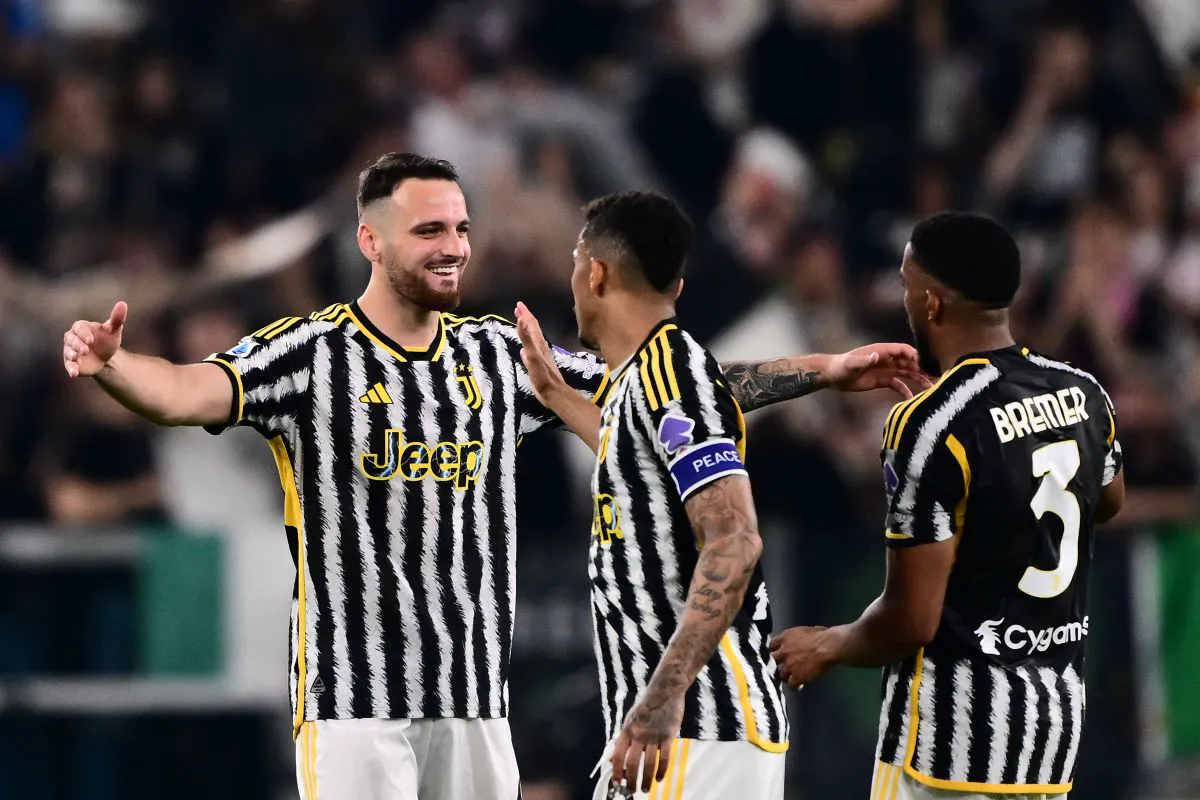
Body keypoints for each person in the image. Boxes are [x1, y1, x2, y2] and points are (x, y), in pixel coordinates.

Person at [61, 153, 922, 800]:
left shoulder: (498, 357)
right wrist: (114, 365)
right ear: (371, 239)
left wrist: (825, 367)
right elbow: (183, 392)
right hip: (356, 705)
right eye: (430, 231)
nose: (454, 248)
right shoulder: (310, 352)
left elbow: (673, 392)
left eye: (462, 229)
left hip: (475, 703)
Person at [520, 190, 929, 800]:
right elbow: (657, 426)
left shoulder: (670, 373)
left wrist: (662, 699)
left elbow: (734, 542)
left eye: (578, 261)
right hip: (682, 733)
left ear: (596, 272)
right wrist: (555, 395)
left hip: (699, 730)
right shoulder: (652, 378)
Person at [770, 212, 1127, 800]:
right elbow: (1107, 501)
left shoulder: (932, 423)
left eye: (907, 284)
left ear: (932, 304)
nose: (903, 298)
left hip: (948, 746)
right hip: (1050, 736)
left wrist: (828, 643)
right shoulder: (1083, 392)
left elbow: (912, 621)